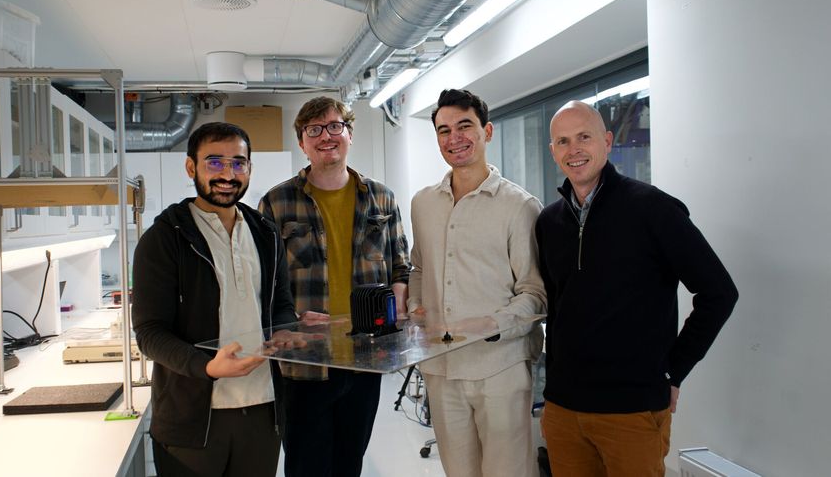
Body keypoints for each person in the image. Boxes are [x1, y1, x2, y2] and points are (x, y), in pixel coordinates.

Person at [535, 101, 739, 476]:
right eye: (562, 141)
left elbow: (719, 293)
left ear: (607, 141)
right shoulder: (549, 222)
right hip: (564, 410)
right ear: (553, 151)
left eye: (584, 137)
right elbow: (557, 311)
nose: (573, 149)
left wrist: (673, 371)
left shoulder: (652, 209)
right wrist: (550, 397)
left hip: (631, 410)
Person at [132, 122, 298, 477]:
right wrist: (206, 367)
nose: (228, 174)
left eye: (238, 163)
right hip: (191, 417)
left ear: (250, 168)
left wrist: (287, 329)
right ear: (191, 167)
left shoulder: (266, 233)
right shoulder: (164, 238)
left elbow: (281, 304)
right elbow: (149, 333)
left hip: (263, 408)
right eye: (215, 162)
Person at [258, 96, 411, 477]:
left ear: (349, 133)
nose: (326, 136)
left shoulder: (381, 198)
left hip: (365, 358)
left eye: (334, 126)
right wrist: (291, 319)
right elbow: (262, 283)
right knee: (305, 467)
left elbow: (400, 267)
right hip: (305, 364)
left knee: (349, 464)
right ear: (302, 142)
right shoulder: (276, 203)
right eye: (314, 130)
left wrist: (397, 303)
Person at [407, 88, 547, 477]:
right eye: (444, 130)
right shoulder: (423, 203)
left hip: (500, 368)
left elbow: (535, 293)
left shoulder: (519, 206)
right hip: (441, 366)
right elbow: (418, 267)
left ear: (487, 131)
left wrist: (490, 324)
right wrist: (416, 307)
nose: (454, 138)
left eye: (464, 126)